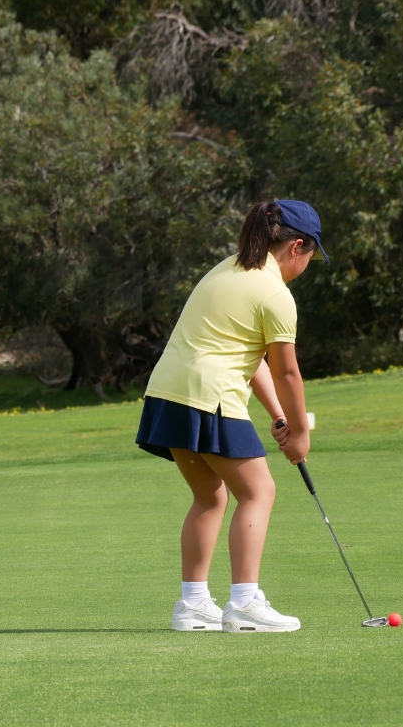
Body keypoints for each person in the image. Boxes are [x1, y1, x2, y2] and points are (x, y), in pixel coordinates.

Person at [136, 199, 327, 632]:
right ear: (296, 246)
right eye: (311, 257)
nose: (306, 267)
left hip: (167, 393)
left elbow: (249, 354)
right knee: (259, 491)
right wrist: (300, 433)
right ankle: (244, 604)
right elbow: (287, 372)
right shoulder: (275, 293)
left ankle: (193, 605)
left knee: (210, 496)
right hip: (210, 394)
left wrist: (277, 414)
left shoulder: (226, 269)